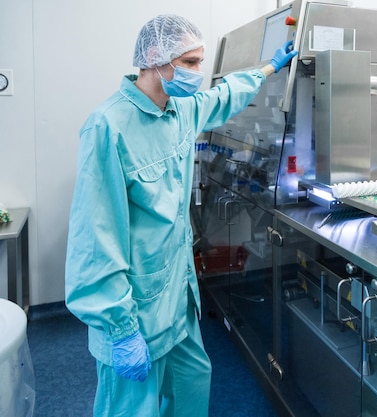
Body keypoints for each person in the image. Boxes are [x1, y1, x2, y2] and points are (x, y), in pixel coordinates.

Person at [64, 14, 297, 417]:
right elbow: (94, 243)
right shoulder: (107, 128)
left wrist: (269, 68)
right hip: (134, 313)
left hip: (178, 302)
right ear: (155, 58)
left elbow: (225, 95)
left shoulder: (182, 110)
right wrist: (121, 330)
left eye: (200, 62)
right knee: (131, 409)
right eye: (190, 63)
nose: (198, 74)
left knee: (191, 388)